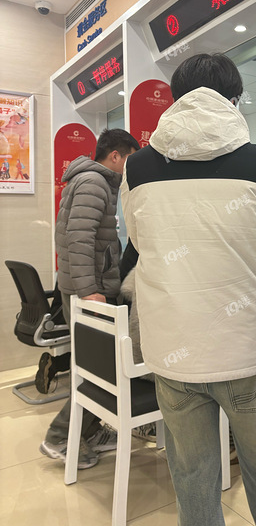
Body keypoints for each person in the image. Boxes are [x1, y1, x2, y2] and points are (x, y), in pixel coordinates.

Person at [122, 53, 256, 526]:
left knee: (192, 476)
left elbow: (140, 240)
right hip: (245, 349)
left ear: (175, 100)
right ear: (234, 100)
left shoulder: (137, 167)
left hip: (173, 351)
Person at [40, 128, 139, 469]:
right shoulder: (94, 183)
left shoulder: (88, 181)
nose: (129, 167)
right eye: (129, 159)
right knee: (99, 369)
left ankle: (89, 431)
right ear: (116, 156)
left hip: (85, 287)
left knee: (95, 366)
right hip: (88, 291)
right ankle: (60, 437)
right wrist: (88, 292)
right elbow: (79, 239)